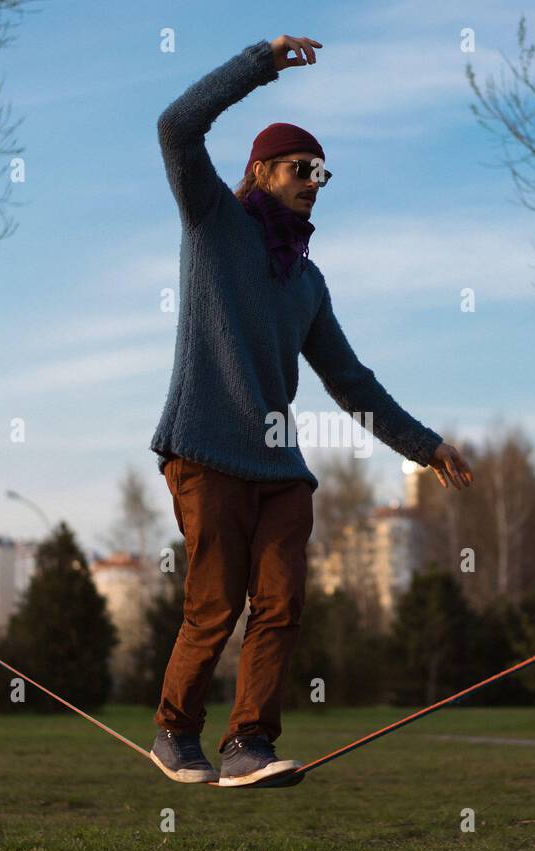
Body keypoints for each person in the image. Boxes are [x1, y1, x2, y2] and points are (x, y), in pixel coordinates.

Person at [148, 34, 474, 787]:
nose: (315, 183)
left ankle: (248, 745)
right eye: (302, 168)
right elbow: (175, 126)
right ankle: (176, 731)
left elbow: (351, 383)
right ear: (262, 170)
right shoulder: (211, 226)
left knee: (282, 605)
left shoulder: (307, 281)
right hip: (203, 450)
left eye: (324, 174)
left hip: (278, 467)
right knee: (215, 607)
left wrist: (426, 447)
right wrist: (260, 62)